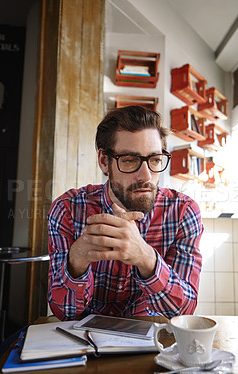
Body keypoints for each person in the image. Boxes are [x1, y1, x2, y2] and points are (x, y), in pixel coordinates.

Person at [48, 106, 203, 320]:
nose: (146, 176)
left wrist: (146, 258)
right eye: (130, 160)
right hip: (84, 342)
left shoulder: (183, 212)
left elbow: (183, 312)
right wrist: (77, 260)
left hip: (153, 342)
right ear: (104, 161)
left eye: (155, 160)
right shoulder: (67, 209)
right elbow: (64, 313)